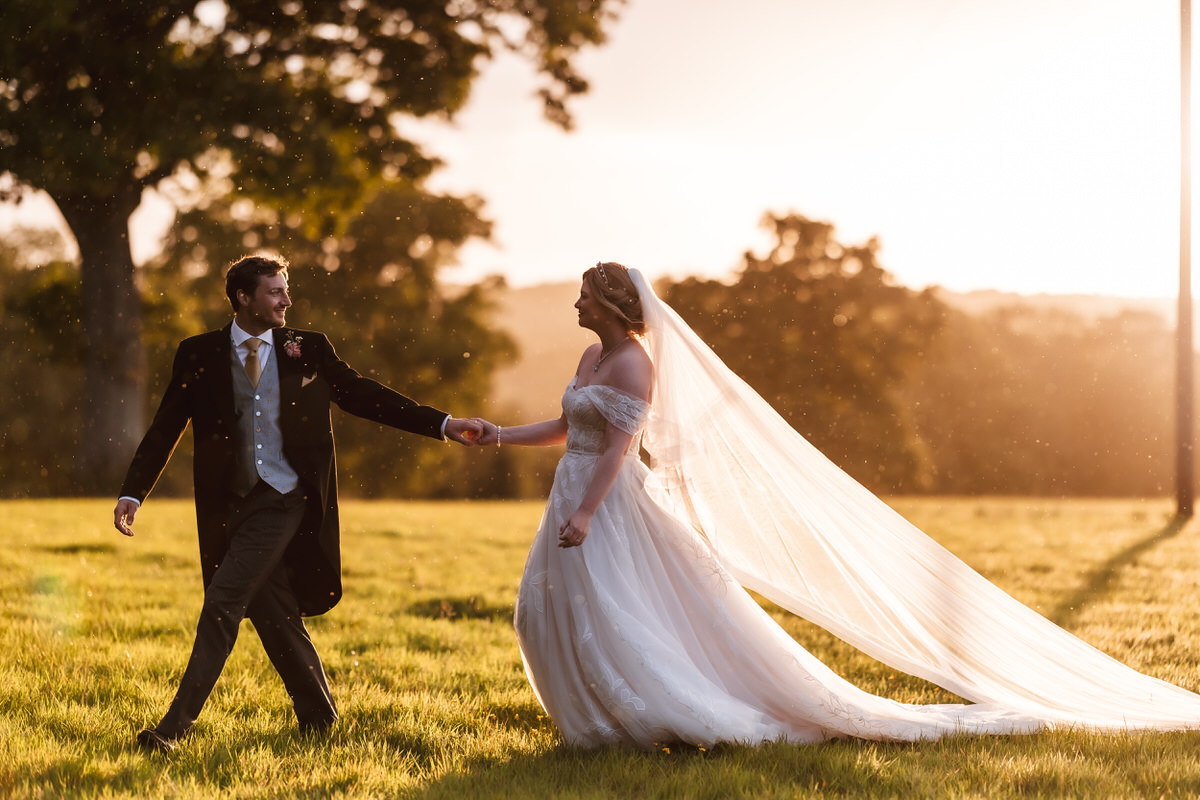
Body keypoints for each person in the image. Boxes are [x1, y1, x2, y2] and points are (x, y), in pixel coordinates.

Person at [474, 261, 1200, 748]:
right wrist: (500, 435)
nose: (573, 303)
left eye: (583, 295)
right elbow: (571, 427)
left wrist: (588, 512)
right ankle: (593, 717)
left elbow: (615, 451)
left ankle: (651, 711)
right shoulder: (589, 360)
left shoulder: (634, 364)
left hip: (605, 502)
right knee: (561, 602)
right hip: (571, 490)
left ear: (609, 303)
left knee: (618, 602)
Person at [113, 254, 482, 753]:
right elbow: (166, 425)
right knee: (272, 610)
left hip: (284, 498)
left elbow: (361, 394)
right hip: (228, 505)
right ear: (243, 298)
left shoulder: (307, 349)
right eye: (274, 292)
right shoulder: (198, 353)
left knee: (223, 602)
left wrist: (441, 423)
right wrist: (134, 491)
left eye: (285, 290)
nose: (287, 299)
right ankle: (320, 720)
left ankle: (171, 731)